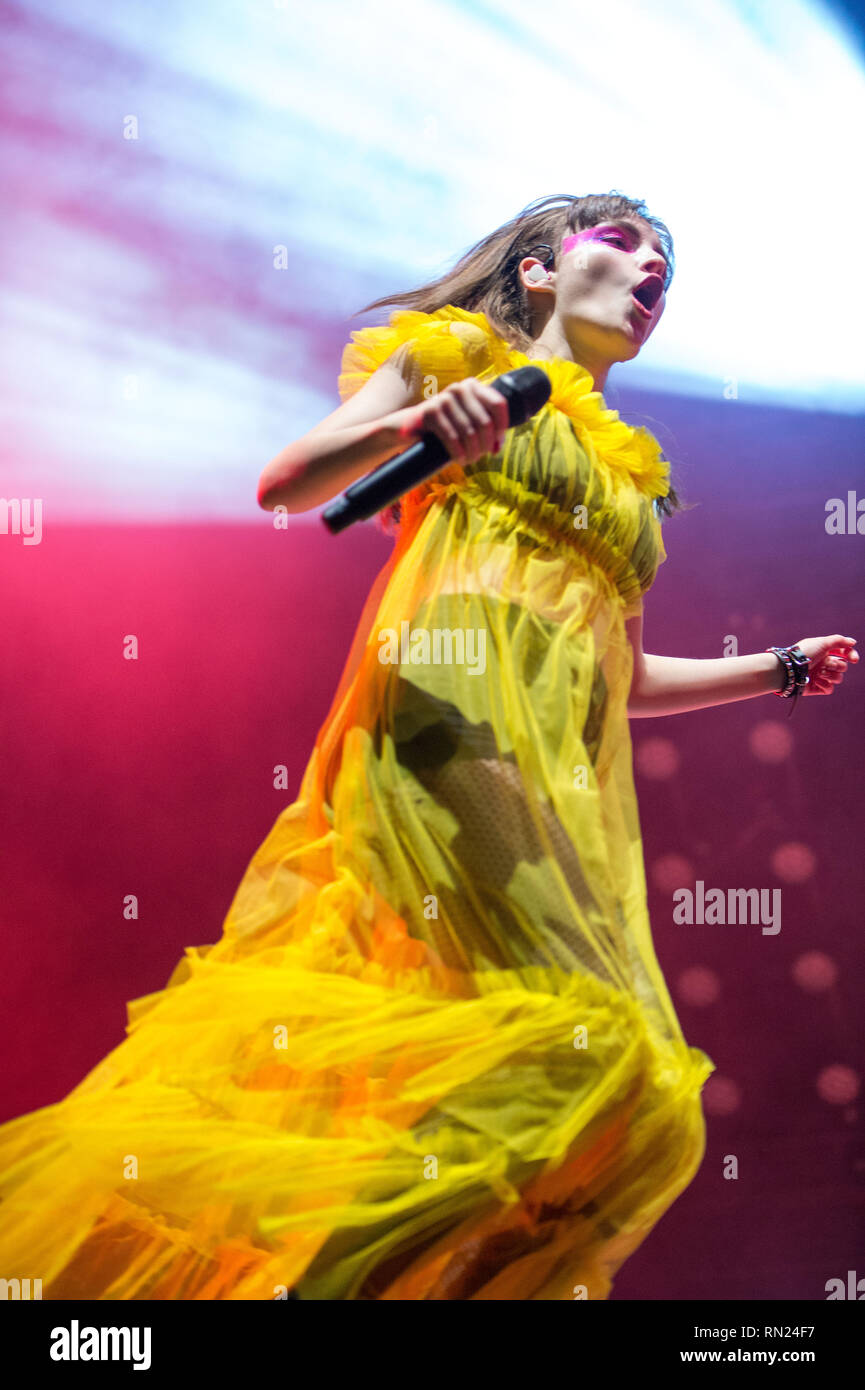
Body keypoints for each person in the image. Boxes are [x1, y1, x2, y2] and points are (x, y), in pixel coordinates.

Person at [0, 193, 856, 1301]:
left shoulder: (633, 483)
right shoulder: (458, 360)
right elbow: (288, 483)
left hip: (559, 779)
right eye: (625, 242)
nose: (653, 270)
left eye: (669, 264)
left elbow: (619, 673)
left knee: (647, 1094)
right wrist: (415, 427)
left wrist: (775, 668)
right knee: (585, 1036)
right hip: (446, 723)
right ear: (541, 273)